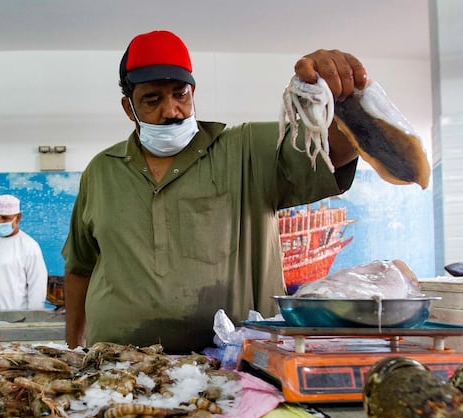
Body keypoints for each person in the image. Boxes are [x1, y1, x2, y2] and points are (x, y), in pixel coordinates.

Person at [63, 30, 366, 353]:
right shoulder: (101, 171)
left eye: (180, 95)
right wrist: (73, 349)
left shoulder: (247, 150)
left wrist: (347, 102)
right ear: (129, 107)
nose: (171, 110)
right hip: (116, 371)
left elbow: (335, 152)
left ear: (193, 91)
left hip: (234, 368)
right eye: (152, 100)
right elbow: (80, 267)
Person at [0, 195, 48, 310]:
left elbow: (38, 287)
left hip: (12, 321)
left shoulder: (29, 246)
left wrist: (32, 319)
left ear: (17, 218)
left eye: (5, 218)